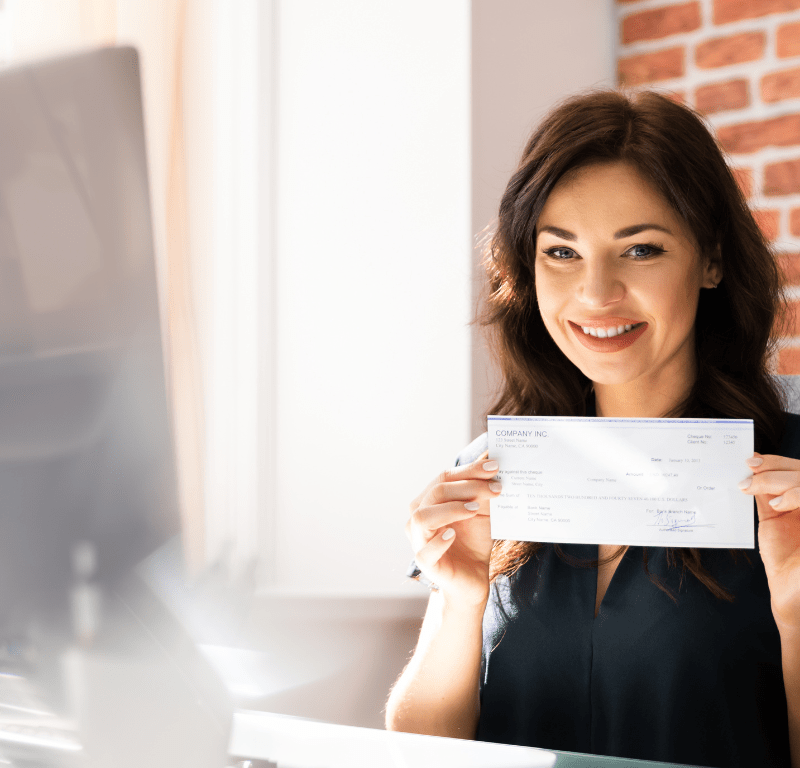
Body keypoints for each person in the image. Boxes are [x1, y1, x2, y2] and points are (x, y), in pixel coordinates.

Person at [384, 89, 800, 768]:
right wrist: (461, 598)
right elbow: (420, 755)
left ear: (712, 260)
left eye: (640, 251)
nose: (596, 294)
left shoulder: (791, 480)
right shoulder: (492, 471)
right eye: (561, 253)